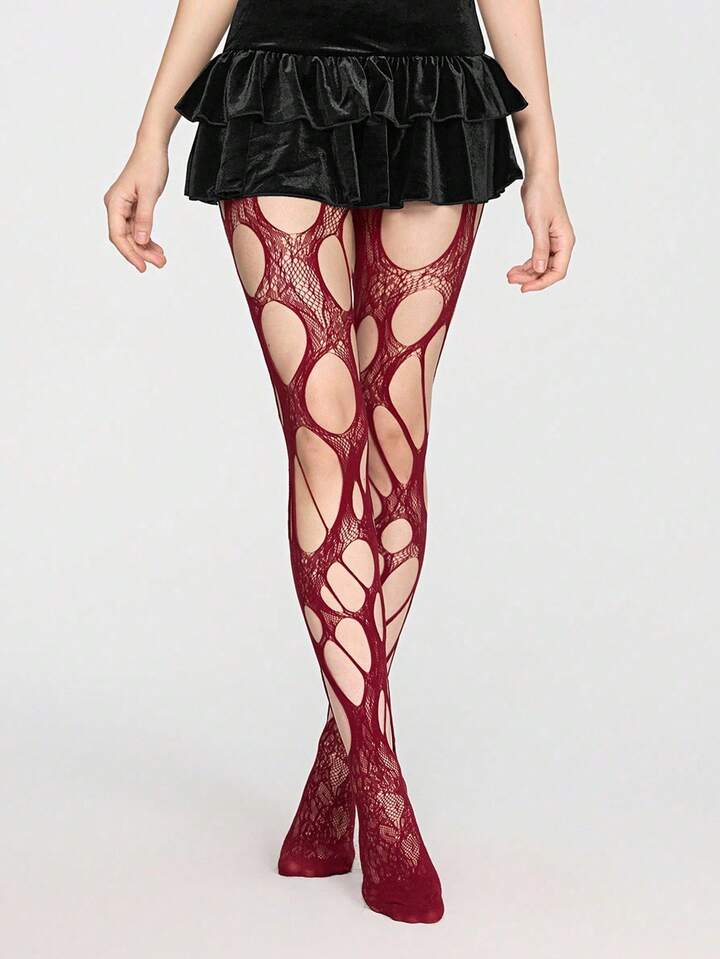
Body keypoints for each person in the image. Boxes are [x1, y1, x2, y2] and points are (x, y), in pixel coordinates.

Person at [104, 0, 575, 924]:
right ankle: (384, 793)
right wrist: (151, 134)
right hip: (278, 87)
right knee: (326, 432)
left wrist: (545, 165)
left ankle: (335, 778)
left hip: (436, 88)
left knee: (397, 439)